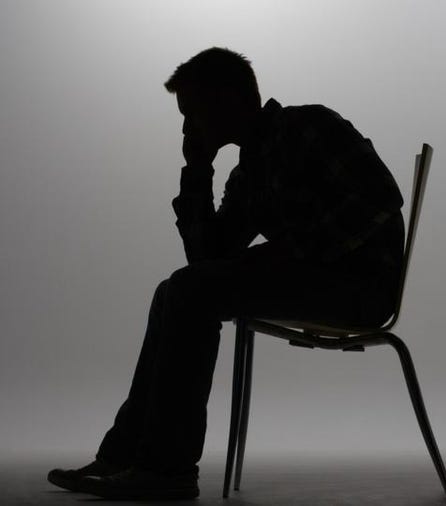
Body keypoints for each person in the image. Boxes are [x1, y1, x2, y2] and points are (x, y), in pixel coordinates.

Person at [47, 47, 405, 500]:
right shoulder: (250, 169)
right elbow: (208, 260)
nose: (186, 127)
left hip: (360, 289)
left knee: (186, 291)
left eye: (191, 113)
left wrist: (289, 254)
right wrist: (197, 171)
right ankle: (126, 455)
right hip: (319, 280)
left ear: (228, 99)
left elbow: (381, 198)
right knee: (174, 290)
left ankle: (166, 470)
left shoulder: (310, 126)